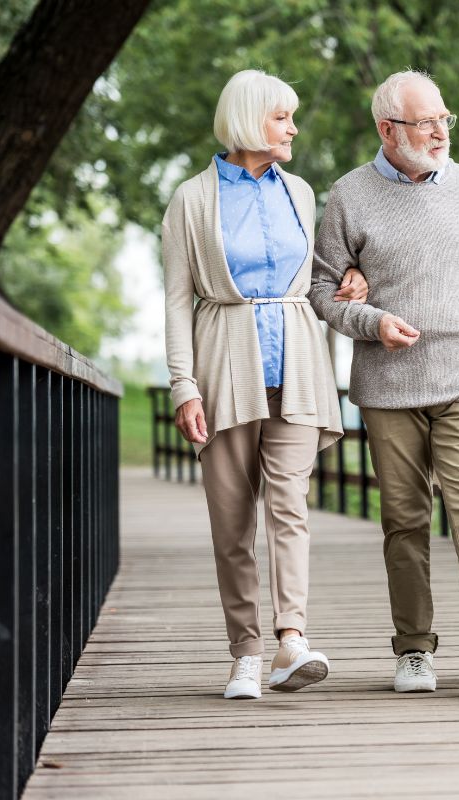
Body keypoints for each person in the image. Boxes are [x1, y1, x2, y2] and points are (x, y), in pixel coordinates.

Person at [308, 70, 459, 695]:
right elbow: (319, 290)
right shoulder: (347, 197)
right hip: (389, 386)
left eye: (445, 119)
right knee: (405, 519)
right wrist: (370, 320)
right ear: (387, 130)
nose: (441, 132)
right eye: (426, 123)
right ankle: (414, 649)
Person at [163, 69, 366, 699]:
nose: (293, 129)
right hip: (223, 362)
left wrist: (350, 279)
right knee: (231, 519)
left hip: (300, 362)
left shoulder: (302, 192)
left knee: (290, 508)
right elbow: (175, 302)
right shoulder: (191, 200)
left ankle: (290, 640)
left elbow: (317, 275)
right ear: (252, 120)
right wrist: (182, 385)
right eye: (283, 118)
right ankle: (244, 653)